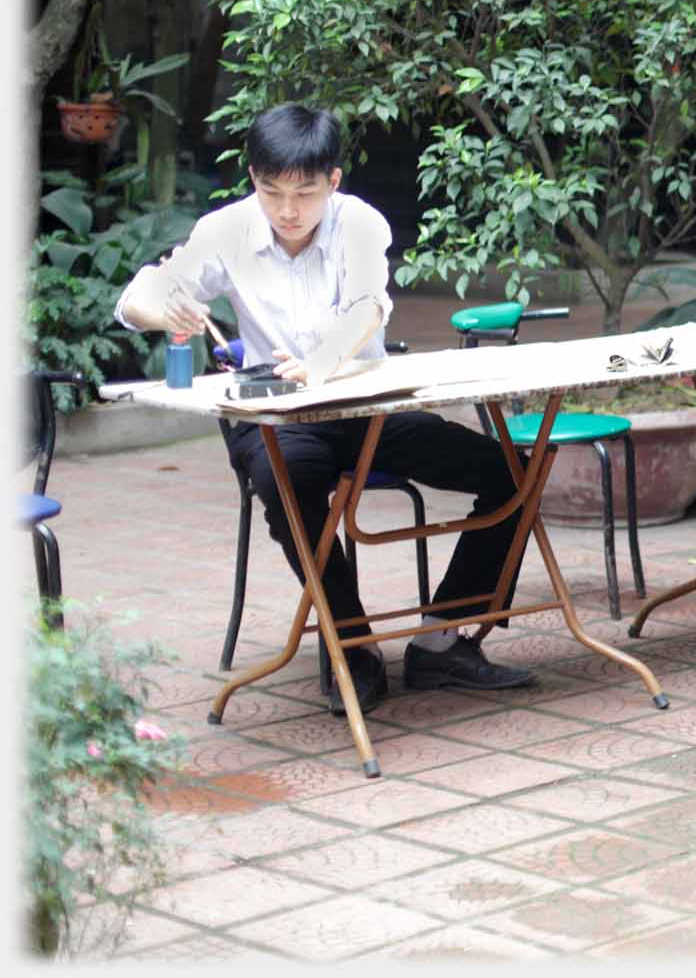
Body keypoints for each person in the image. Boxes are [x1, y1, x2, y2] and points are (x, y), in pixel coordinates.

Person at [114, 104, 535, 714]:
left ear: (333, 182)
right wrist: (163, 310)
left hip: (365, 405)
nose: (287, 211)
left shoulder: (358, 223)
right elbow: (142, 293)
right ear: (253, 179)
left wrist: (324, 360)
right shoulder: (226, 229)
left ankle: (443, 640)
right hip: (274, 415)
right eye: (271, 191)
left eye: (305, 193)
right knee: (290, 482)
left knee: (510, 474)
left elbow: (368, 303)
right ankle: (353, 644)